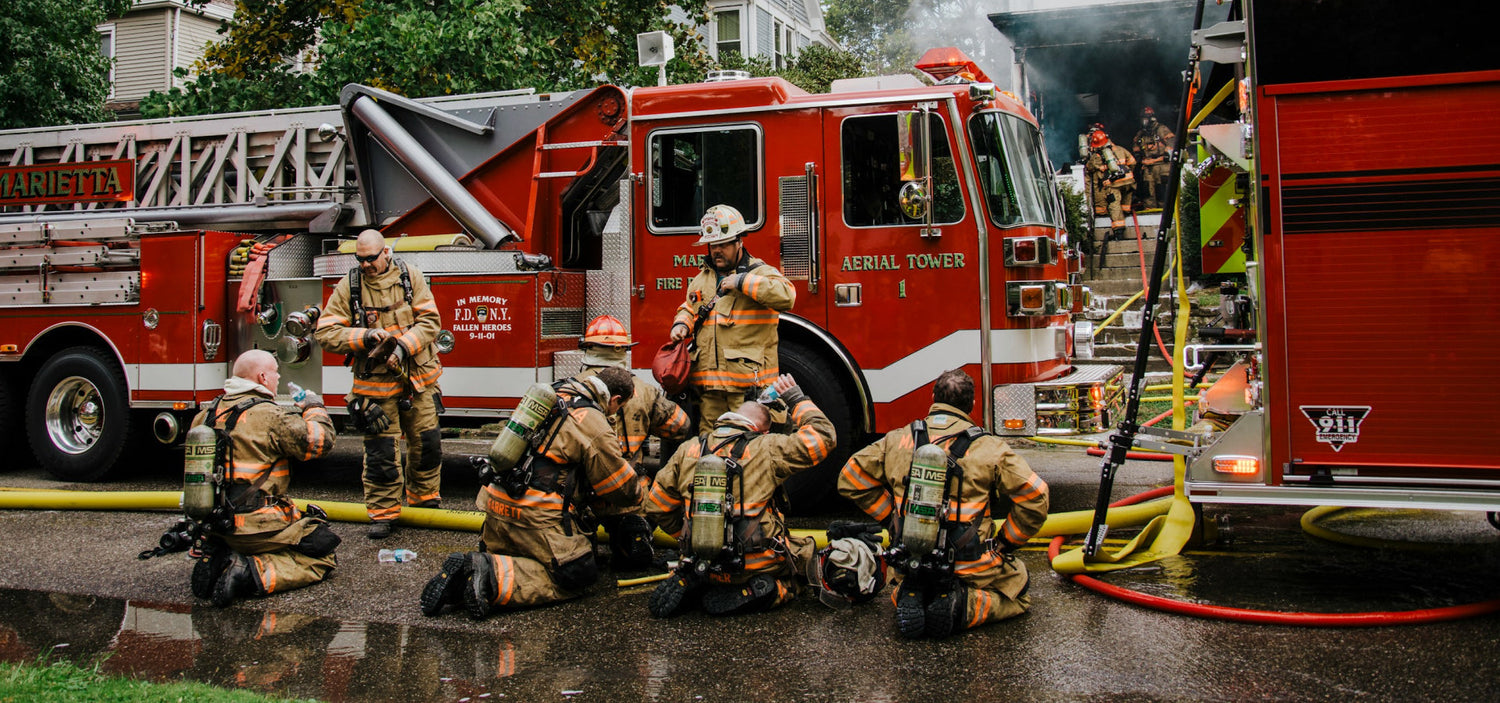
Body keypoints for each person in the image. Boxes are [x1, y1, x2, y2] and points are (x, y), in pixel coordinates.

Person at [837, 369, 1049, 638]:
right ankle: (962, 605)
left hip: (909, 559)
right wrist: (1007, 542)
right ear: (971, 405)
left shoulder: (897, 439)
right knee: (1018, 588)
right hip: (971, 566)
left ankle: (908, 593)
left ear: (932, 397)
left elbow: (850, 478)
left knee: (907, 580)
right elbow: (1037, 495)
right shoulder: (990, 448)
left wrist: (891, 518)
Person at [420, 367, 645, 619]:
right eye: (620, 406)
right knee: (576, 575)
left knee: (524, 555)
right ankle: (489, 577)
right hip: (535, 520)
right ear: (615, 400)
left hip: (495, 512)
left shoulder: (553, 392)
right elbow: (621, 489)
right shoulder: (593, 422)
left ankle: (464, 579)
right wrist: (641, 490)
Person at [644, 373, 835, 617]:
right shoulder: (767, 447)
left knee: (701, 566)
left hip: (702, 560)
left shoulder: (689, 449)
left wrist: (689, 538)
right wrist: (796, 399)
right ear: (761, 431)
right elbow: (823, 436)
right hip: (753, 565)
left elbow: (657, 506)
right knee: (804, 558)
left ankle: (698, 581)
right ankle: (767, 591)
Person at [313, 229, 444, 540]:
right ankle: (383, 514)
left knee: (428, 446)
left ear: (386, 253)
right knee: (381, 455)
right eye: (360, 259)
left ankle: (425, 504)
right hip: (376, 390)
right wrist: (364, 337)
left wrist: (402, 347)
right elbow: (325, 332)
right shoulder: (351, 285)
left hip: (418, 382)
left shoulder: (411, 278)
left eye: (371, 258)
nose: (366, 264)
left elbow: (430, 322)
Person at [188, 349, 338, 607]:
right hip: (257, 527)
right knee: (322, 552)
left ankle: (220, 556)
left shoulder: (205, 415)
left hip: (214, 524)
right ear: (262, 377)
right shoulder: (271, 415)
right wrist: (313, 407)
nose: (278, 377)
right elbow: (321, 442)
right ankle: (249, 572)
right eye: (275, 372)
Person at [573, 314, 692, 570]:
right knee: (632, 541)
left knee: (576, 553)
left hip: (585, 495)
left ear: (588, 350)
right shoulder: (642, 390)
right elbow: (681, 426)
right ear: (624, 351)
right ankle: (632, 536)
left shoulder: (572, 389)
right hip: (630, 493)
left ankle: (583, 546)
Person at [668, 204, 795, 435]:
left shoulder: (759, 272)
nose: (717, 250)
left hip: (748, 390)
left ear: (739, 242)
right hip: (709, 388)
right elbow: (689, 307)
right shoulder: (702, 278)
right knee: (710, 445)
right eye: (713, 245)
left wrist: (743, 282)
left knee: (749, 448)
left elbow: (787, 296)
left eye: (724, 244)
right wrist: (681, 323)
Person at [1085, 128, 1137, 244]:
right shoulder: (1120, 149)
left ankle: (1119, 232)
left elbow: (1089, 167)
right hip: (1129, 181)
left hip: (1113, 184)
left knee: (1114, 205)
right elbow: (1133, 162)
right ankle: (1126, 213)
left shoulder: (1097, 157)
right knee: (1124, 204)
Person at [1132, 107, 1176, 210]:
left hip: (1162, 167)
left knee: (1162, 192)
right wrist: (1141, 160)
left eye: (1145, 119)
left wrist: (1156, 160)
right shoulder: (1140, 134)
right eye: (1142, 119)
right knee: (1148, 193)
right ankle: (1150, 212)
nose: (1144, 121)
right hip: (1148, 169)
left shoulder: (1162, 129)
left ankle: (1165, 214)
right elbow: (1136, 151)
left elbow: (1172, 147)